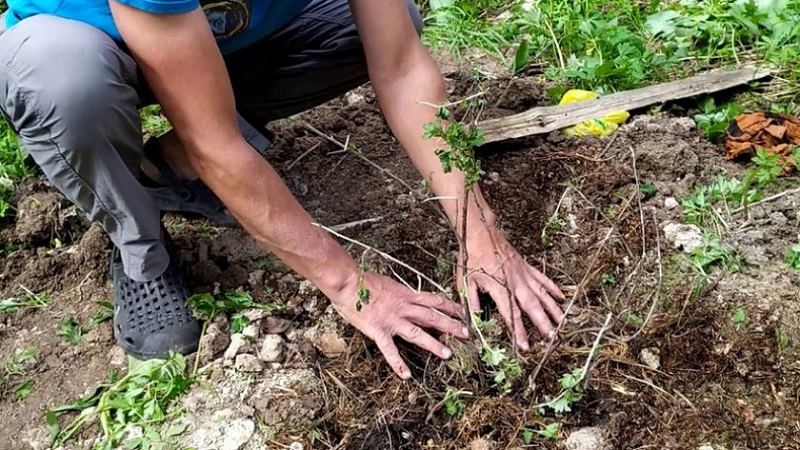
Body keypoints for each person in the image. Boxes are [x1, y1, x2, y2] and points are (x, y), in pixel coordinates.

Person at [0, 0, 565, 379]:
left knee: (372, 26)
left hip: (219, 38)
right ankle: (137, 243)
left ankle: (167, 167)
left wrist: (479, 231)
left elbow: (400, 66)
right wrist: (352, 288)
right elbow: (216, 144)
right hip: (94, 47)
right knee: (66, 86)